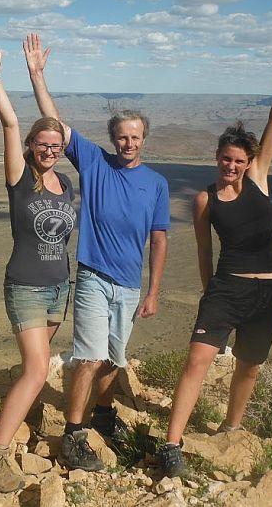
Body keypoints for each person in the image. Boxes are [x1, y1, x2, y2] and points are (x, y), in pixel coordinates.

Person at [22, 33, 170, 471]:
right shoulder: (95, 162)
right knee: (88, 355)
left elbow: (159, 239)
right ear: (113, 139)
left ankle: (104, 415)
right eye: (122, 137)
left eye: (136, 137)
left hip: (128, 284)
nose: (129, 143)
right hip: (92, 276)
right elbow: (54, 125)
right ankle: (73, 434)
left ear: (144, 139)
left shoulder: (157, 184)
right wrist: (37, 75)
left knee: (112, 357)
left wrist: (154, 290)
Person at [158, 43, 272, 478]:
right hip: (227, 288)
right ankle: (171, 445)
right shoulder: (204, 199)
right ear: (217, 157)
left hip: (269, 290)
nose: (232, 165)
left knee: (250, 367)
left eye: (239, 160)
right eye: (226, 158)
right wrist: (208, 292)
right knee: (196, 361)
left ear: (248, 162)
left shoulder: (259, 178)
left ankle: (230, 428)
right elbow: (204, 250)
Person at [0, 48, 78, 492]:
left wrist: (43, 76)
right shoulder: (20, 178)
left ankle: (16, 418)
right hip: (26, 287)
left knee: (34, 367)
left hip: (60, 289)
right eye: (43, 146)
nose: (50, 152)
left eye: (56, 147)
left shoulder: (65, 183)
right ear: (31, 147)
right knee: (38, 369)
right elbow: (10, 123)